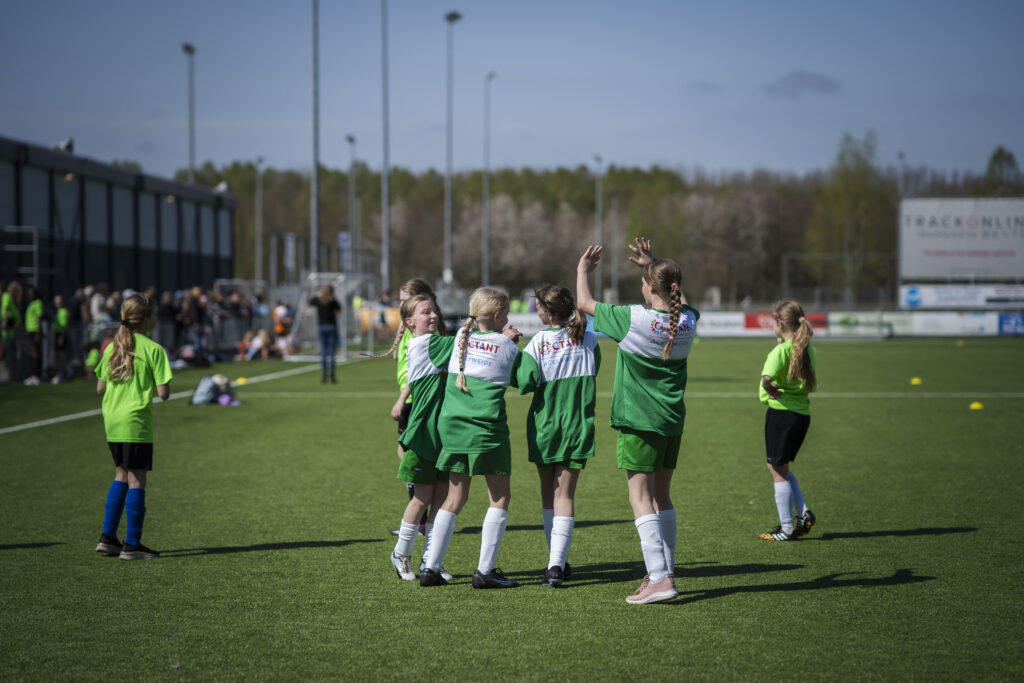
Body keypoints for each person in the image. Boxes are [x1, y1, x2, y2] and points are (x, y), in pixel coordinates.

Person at [576, 237, 699, 604]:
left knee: (639, 496)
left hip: (639, 420)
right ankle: (665, 569)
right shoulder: (688, 320)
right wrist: (653, 264)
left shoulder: (635, 319)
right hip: (671, 420)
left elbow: (583, 303)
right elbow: (680, 298)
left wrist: (583, 270)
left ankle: (660, 578)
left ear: (649, 288)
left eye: (644, 281)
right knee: (662, 495)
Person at [420, 287, 523, 589]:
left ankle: (430, 567)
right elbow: (527, 380)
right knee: (500, 497)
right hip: (487, 430)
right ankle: (485, 572)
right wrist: (511, 342)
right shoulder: (507, 346)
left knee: (454, 498)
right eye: (505, 312)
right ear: (497, 315)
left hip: (452, 428)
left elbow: (429, 349)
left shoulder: (457, 341)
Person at [513, 285, 600, 587]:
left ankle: (555, 562)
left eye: (537, 305)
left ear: (546, 313)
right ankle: (557, 564)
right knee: (565, 495)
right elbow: (595, 369)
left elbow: (524, 383)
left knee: (548, 493)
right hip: (577, 426)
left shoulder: (536, 343)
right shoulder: (588, 338)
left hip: (544, 428)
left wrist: (514, 352)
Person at [94, 294, 173, 560]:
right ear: (148, 320)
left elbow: (100, 387)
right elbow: (163, 393)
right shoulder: (154, 349)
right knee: (137, 478)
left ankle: (108, 537)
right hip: (135, 422)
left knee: (120, 475)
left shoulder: (111, 348)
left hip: (112, 421)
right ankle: (132, 544)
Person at [382, 294, 453, 582]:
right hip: (425, 432)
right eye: (426, 312)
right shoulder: (426, 343)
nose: (433, 315)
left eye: (434, 310)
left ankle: (431, 559)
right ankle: (400, 553)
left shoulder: (433, 342)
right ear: (410, 322)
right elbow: (465, 342)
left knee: (441, 497)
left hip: (443, 433)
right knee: (423, 497)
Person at [758, 299, 818, 541]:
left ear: (780, 323)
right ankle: (804, 514)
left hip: (781, 414)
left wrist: (767, 385)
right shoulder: (805, 347)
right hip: (801, 414)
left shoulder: (779, 351)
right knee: (780, 466)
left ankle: (786, 529)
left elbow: (766, 377)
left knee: (776, 468)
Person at [309, 285, 341, 383]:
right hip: (331, 327)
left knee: (323, 352)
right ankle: (332, 375)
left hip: (322, 327)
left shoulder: (319, 300)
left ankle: (324, 375)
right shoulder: (332, 301)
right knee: (331, 352)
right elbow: (339, 308)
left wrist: (317, 295)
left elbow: (311, 302)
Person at [2, 281, 23, 381]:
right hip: (12, 328)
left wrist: (4, 322)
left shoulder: (6, 296)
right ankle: (12, 375)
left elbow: (5, 310)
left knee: (8, 352)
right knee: (11, 353)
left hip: (9, 330)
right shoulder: (12, 299)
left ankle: (10, 375)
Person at [23, 287, 44, 385]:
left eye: (31, 293)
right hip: (30, 330)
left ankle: (36, 376)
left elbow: (39, 318)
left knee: (36, 353)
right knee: (33, 353)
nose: (29, 294)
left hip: (35, 330)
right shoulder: (31, 303)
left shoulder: (38, 303)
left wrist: (38, 333)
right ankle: (34, 375)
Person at [52, 294, 70, 384]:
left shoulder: (62, 311)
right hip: (58, 334)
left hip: (60, 334)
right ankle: (63, 373)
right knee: (59, 356)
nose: (56, 302)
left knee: (60, 356)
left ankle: (64, 373)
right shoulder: (59, 311)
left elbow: (63, 326)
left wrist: (61, 337)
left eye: (57, 301)